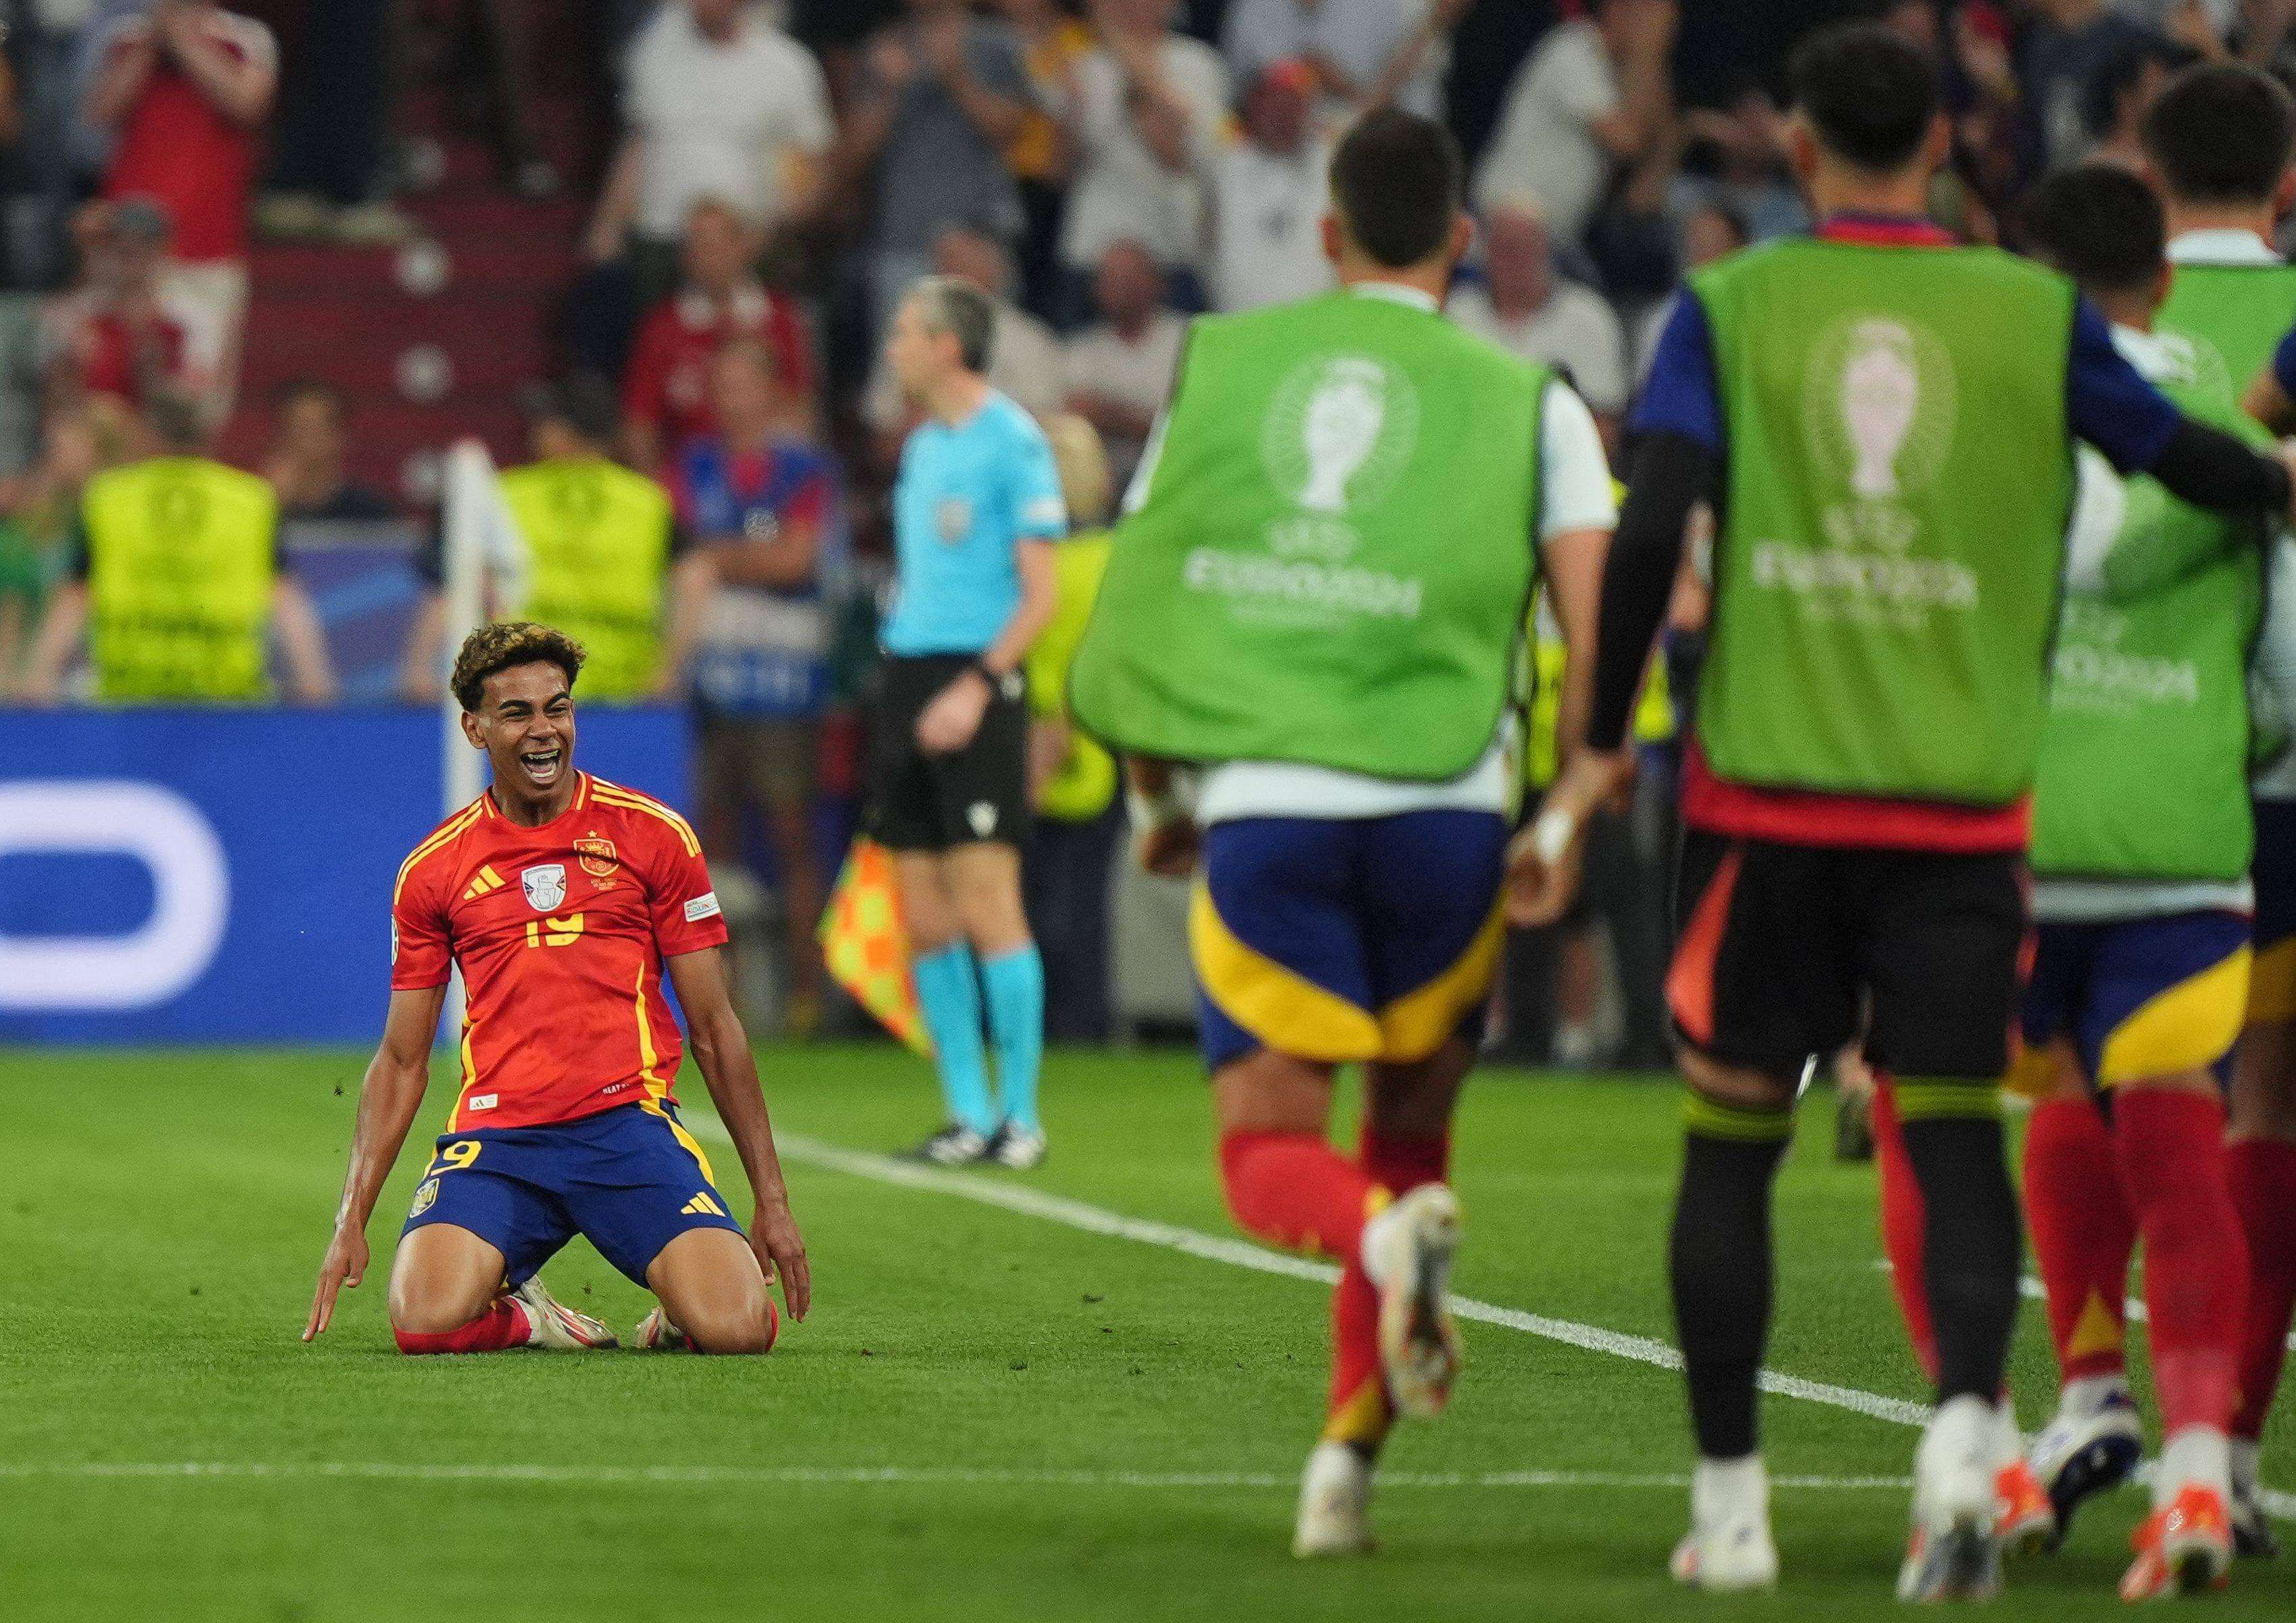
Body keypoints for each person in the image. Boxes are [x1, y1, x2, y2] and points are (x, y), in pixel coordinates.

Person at [1529, 24, 2296, 1599]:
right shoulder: (2028, 314)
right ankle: (2061, 1442)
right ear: (1944, 148)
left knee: (1739, 1142)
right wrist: (2274, 489)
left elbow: (1653, 515)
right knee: (2041, 1126)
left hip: (1786, 793)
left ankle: (1749, 1503)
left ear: (1800, 151)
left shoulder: (1735, 304)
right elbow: (2188, 463)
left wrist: (1602, 739)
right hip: (2003, 814)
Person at [1070, 108, 1615, 1559]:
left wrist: (1157, 798)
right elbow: (1597, 630)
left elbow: (1143, 603)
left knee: (1270, 1156)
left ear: (1325, 235)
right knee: (1410, 1147)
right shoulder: (1536, 401)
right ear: (1460, 241)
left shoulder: (1227, 370)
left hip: (1274, 808)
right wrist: (1567, 808)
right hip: (1452, 815)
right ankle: (1341, 1475)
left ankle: (1370, 1254)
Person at [1942, 161, 2276, 1599]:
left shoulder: (1991, 422)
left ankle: (2080, 1393)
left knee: (2028, 1108)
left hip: (2018, 835)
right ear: (2164, 281)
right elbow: (2281, 677)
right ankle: (2200, 1476)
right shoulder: (2236, 442)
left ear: (2040, 282)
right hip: (2182, 838)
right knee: (2187, 1130)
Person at [304, 621, 810, 1357]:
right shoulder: (434, 870)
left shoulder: (654, 836)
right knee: (421, 1322)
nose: (543, 731)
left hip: (626, 1130)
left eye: (558, 708)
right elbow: (403, 1059)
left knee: (737, 1330)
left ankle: (679, 1312)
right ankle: (535, 1316)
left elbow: (714, 1027)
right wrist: (350, 1217)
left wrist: (773, 1200)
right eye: (517, 714)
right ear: (475, 729)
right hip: (499, 1141)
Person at [2059, 60, 2296, 1564]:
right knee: (2266, 1107)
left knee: (2088, 1082)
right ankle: (2235, 1458)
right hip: (2281, 766)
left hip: (2122, 763)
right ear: (2286, 183)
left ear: (2146, 182)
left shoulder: (2081, 318)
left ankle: (2083, 1390)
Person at [870, 275, 1063, 1169]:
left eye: (906, 331)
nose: (894, 348)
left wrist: (978, 686)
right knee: (925, 912)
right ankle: (967, 1114)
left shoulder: (1014, 443)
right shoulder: (922, 448)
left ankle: (1021, 1117)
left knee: (988, 899)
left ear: (947, 346)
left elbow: (1041, 594)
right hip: (910, 673)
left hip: (976, 679)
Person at [661, 340, 842, 1039]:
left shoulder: (803, 469)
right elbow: (680, 554)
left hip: (783, 680)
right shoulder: (693, 464)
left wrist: (717, 558)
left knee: (793, 836)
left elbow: (795, 560)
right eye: (723, 386)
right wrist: (744, 558)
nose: (733, 399)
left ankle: (806, 996)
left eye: (746, 385)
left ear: (773, 393)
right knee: (711, 837)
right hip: (710, 678)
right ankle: (722, 999)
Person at [19, 392, 335, 705]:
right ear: (213, 431)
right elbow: (284, 596)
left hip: (128, 702)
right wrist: (315, 684)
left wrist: (38, 677)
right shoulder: (251, 499)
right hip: (229, 702)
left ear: (147, 432)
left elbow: (75, 596)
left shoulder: (108, 497)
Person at [403, 376, 684, 703]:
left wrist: (419, 668)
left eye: (544, 424)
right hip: (627, 692)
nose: (535, 433)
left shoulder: (505, 494)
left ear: (566, 434)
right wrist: (667, 672)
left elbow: (457, 582)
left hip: (525, 692)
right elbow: (693, 576)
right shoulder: (650, 501)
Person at [82, 0, 277, 419]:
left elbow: (248, 103)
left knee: (197, 403)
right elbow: (100, 110)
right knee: (110, 395)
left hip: (208, 254)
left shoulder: (245, 38)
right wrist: (155, 39)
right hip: (129, 256)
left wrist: (182, 40)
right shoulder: (127, 38)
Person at [584, 0, 832, 306]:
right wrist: (608, 224)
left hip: (747, 247)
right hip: (662, 240)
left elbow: (809, 167)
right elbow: (638, 146)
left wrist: (769, 232)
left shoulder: (788, 65)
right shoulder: (654, 50)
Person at [1022, 414, 1124, 1043]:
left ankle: (1073, 1026)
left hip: (1070, 742)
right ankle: (1074, 1027)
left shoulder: (1055, 561)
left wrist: (1054, 725)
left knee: (1060, 905)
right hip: (1070, 740)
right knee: (1065, 904)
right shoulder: (1109, 556)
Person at [620, 197, 816, 475]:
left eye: (719, 243)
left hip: (766, 477)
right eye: (700, 246)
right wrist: (658, 489)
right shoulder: (661, 327)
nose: (711, 256)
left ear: (744, 246)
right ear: (686, 257)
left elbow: (799, 412)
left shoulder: (780, 318)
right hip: (685, 480)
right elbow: (640, 423)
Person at [1473, 0, 1675, 243]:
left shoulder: (1616, 70)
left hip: (1548, 233)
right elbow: (1627, 140)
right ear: (1618, 8)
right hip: (1509, 219)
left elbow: (1651, 151)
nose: (1660, 30)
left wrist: (1653, 62)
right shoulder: (1575, 49)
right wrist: (1647, 56)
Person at [1448, 195, 1631, 448]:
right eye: (1505, 248)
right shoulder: (1456, 313)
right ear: (1486, 252)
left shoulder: (1589, 317)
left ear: (1546, 251)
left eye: (1525, 247)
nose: (1515, 260)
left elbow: (1605, 424)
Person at [1209, 58, 1337, 314]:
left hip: (1320, 321)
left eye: (1292, 104)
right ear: (1252, 107)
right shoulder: (1221, 164)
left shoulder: (1333, 162)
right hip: (1240, 322)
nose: (1283, 115)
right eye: (1273, 103)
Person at [1060, 239, 1187, 490]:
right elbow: (1075, 417)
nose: (1121, 287)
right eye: (1111, 278)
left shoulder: (1188, 339)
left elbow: (1189, 425)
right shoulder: (1079, 350)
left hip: (1178, 478)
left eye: (1131, 277)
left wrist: (1111, 416)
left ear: (1158, 283)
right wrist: (1142, 421)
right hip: (1106, 486)